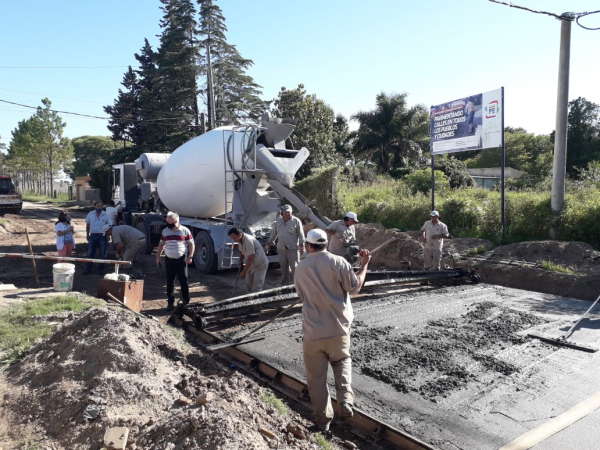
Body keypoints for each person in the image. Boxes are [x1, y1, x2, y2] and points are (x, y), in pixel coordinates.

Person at [294, 229, 371, 432]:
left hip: (312, 333)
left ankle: (323, 422)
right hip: (338, 330)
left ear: (309, 245)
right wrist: (364, 266)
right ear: (326, 243)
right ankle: (345, 400)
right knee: (342, 361)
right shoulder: (339, 262)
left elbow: (302, 296)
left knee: (316, 380)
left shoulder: (300, 268)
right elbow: (355, 288)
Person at [155, 212, 195, 311]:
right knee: (170, 282)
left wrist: (190, 256)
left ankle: (185, 302)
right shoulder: (165, 231)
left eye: (170, 222)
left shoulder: (185, 231)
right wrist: (158, 257)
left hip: (181, 260)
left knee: (183, 282)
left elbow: (191, 244)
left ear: (176, 221)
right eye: (167, 222)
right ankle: (170, 303)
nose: (168, 224)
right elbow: (161, 244)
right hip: (169, 260)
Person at [265, 205, 305, 286]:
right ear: (282, 212)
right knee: (284, 270)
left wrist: (302, 247)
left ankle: (297, 286)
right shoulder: (278, 221)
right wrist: (268, 244)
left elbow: (301, 235)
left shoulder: (296, 221)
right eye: (285, 212)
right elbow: (274, 234)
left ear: (291, 212)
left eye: (288, 212)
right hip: (281, 249)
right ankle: (284, 287)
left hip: (292, 249)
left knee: (295, 269)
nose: (287, 214)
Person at [228, 227, 269, 293]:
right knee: (248, 286)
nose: (233, 240)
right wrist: (240, 261)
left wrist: (244, 272)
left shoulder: (248, 240)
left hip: (260, 265)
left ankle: (258, 302)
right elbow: (242, 251)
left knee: (257, 288)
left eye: (234, 237)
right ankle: (250, 301)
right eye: (232, 238)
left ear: (240, 235)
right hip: (251, 264)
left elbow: (250, 258)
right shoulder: (239, 240)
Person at [84, 201, 111, 274]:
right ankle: (88, 270)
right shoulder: (90, 214)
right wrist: (87, 235)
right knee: (90, 253)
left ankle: (101, 270)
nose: (99, 207)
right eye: (97, 206)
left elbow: (109, 225)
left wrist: (108, 236)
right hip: (93, 235)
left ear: (102, 207)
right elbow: (88, 225)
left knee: (102, 253)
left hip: (102, 236)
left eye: (100, 206)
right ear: (95, 206)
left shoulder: (105, 214)